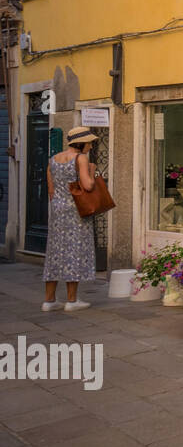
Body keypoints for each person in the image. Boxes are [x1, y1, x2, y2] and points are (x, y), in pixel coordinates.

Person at [43, 126, 98, 311]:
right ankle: (72, 301)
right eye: (89, 142)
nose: (90, 145)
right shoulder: (81, 158)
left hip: (57, 211)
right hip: (76, 211)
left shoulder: (54, 159)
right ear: (81, 143)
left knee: (55, 253)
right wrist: (91, 170)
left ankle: (49, 301)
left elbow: (51, 191)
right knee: (74, 253)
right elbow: (88, 186)